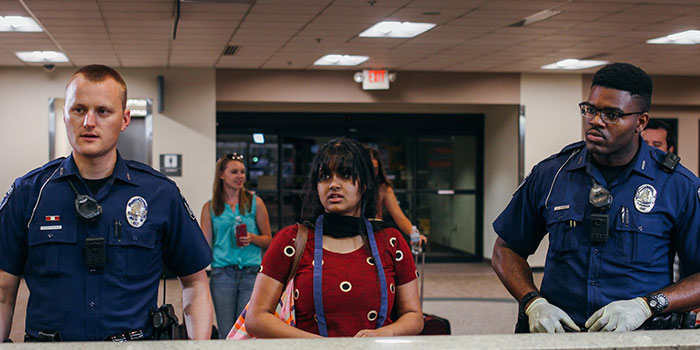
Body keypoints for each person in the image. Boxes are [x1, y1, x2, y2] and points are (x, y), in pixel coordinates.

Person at [0, 65, 213, 342]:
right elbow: (3, 292)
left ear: (125, 119)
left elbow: (195, 284)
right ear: (65, 115)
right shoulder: (29, 193)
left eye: (103, 111)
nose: (89, 121)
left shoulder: (160, 194)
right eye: (79, 110)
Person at [492, 63, 700, 333]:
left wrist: (647, 305)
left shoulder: (677, 185)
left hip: (642, 338)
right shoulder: (552, 173)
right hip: (559, 337)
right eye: (590, 109)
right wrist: (533, 302)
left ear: (641, 122)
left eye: (612, 114)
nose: (595, 121)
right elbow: (506, 249)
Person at [245, 138, 423, 337]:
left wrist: (385, 333)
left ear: (363, 184)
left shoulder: (391, 242)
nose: (333, 184)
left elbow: (414, 315)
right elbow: (256, 317)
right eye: (324, 176)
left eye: (345, 175)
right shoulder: (291, 240)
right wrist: (320, 346)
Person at [200, 153, 272, 338]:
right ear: (222, 175)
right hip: (222, 274)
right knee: (226, 331)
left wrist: (252, 238)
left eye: (242, 172)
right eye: (234, 172)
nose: (240, 176)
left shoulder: (256, 203)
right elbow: (204, 247)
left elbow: (268, 240)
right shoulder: (210, 208)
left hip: (251, 272)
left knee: (247, 331)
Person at [365, 147, 427, 246]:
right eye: (369, 169)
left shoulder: (383, 187)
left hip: (375, 234)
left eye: (375, 169)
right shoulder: (352, 185)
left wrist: (415, 235)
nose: (372, 173)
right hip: (355, 235)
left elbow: (399, 217)